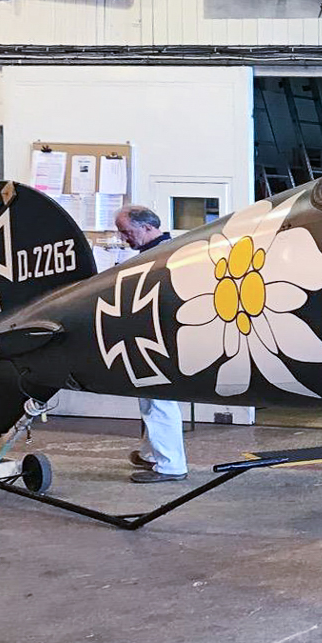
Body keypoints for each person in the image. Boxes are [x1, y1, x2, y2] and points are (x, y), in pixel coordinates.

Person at [114, 205, 188, 485]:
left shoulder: (162, 257)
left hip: (160, 340)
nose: (124, 238)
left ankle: (170, 466)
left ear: (146, 228)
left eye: (127, 232)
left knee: (158, 401)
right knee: (152, 401)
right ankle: (152, 455)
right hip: (155, 337)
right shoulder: (161, 252)